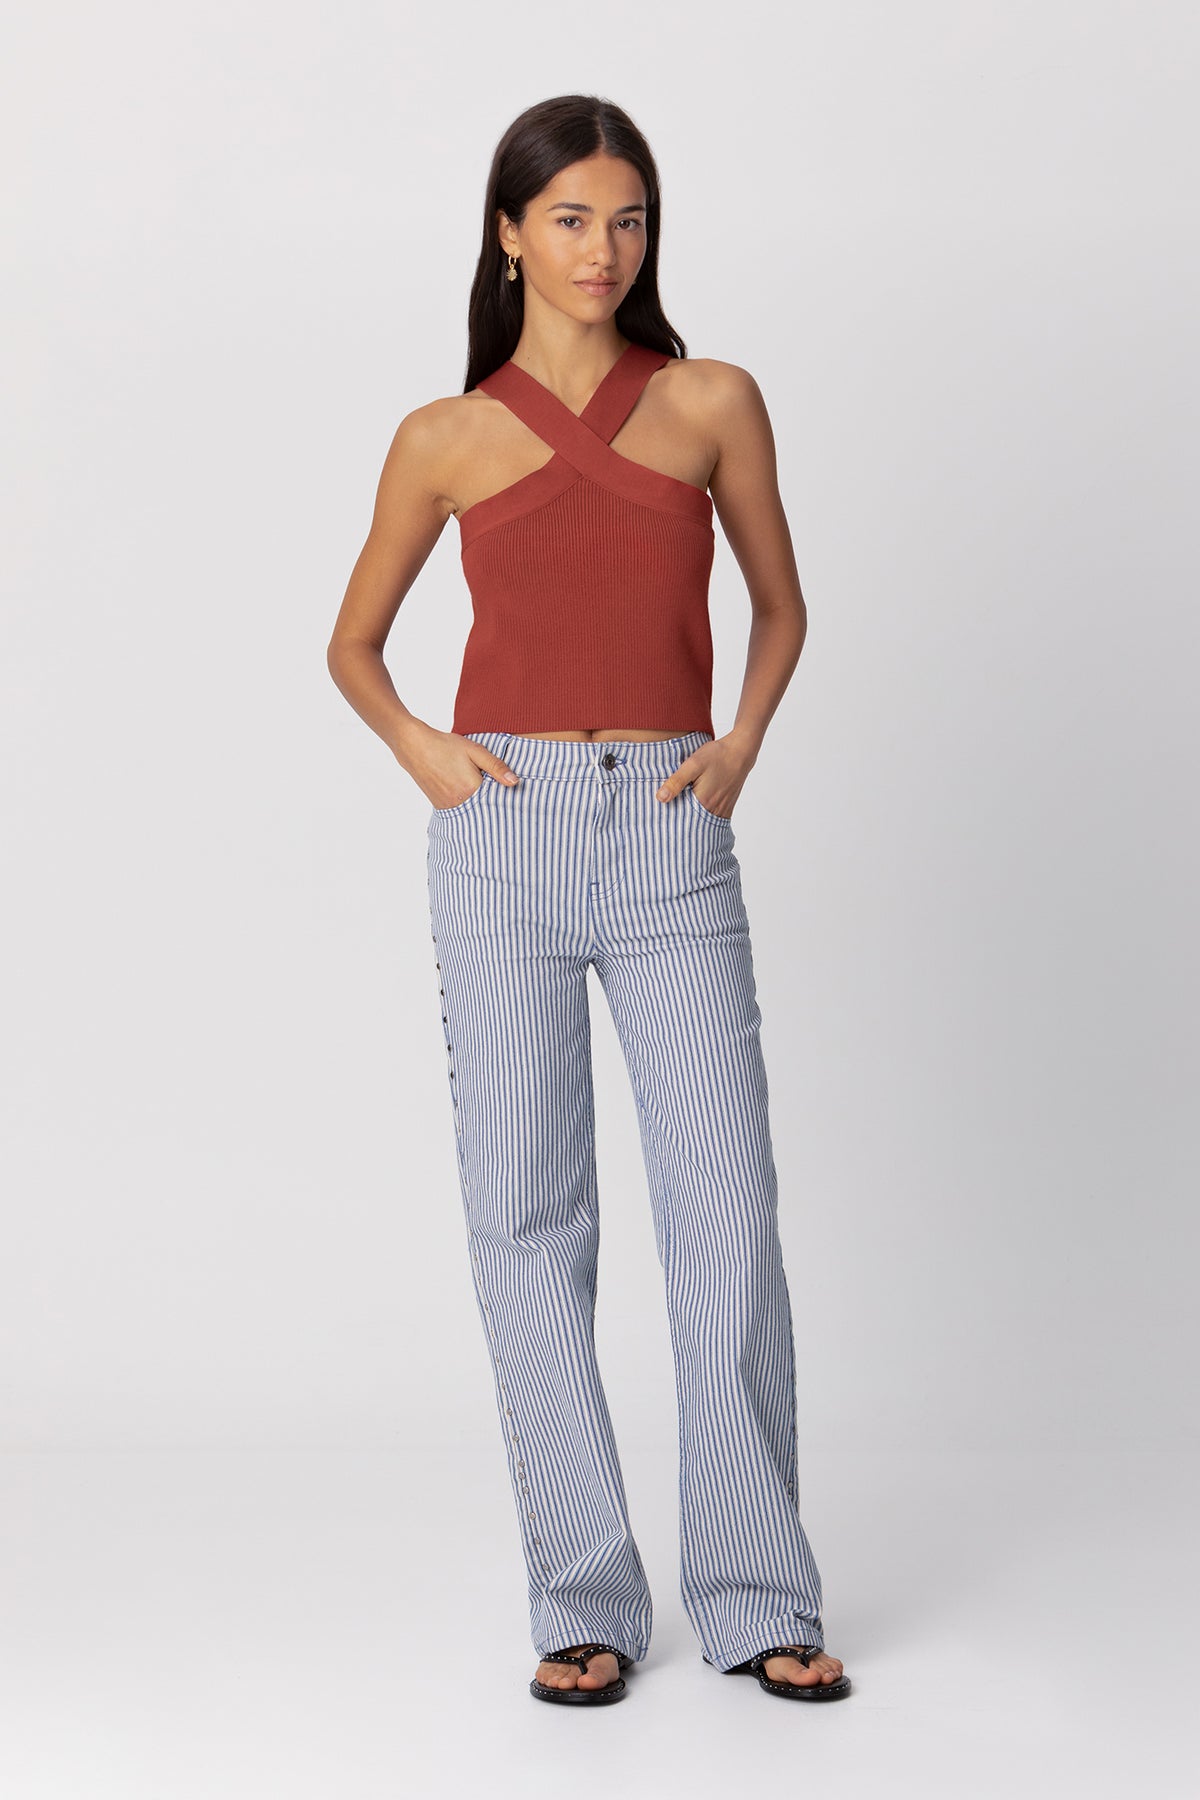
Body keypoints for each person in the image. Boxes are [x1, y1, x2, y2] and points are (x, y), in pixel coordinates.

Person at [326, 93, 851, 1709]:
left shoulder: (709, 401)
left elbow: (780, 604)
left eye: (628, 220)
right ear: (508, 234)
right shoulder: (445, 435)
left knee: (726, 1216)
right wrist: (430, 754)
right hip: (504, 837)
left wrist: (737, 747)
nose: (602, 249)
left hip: (671, 828)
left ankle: (756, 1590)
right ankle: (583, 1600)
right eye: (569, 219)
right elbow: (352, 645)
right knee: (528, 1222)